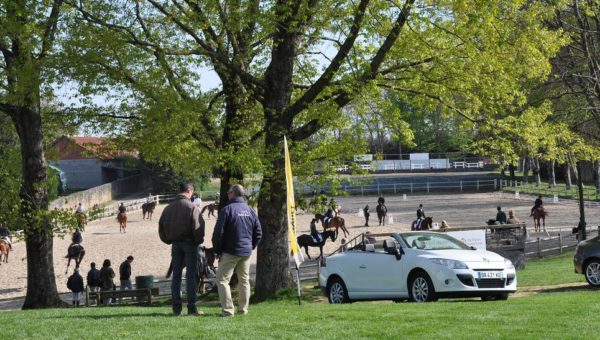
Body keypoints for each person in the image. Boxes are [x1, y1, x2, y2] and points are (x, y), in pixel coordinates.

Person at [212, 184, 262, 317]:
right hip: (246, 252)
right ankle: (243, 309)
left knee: (222, 280)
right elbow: (258, 232)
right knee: (244, 280)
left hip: (230, 251)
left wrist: (217, 250)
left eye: (229, 192)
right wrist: (251, 246)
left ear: (233, 193)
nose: (227, 194)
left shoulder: (227, 210)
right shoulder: (250, 210)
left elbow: (218, 233)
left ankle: (228, 310)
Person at [158, 182, 204, 317]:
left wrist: (169, 240)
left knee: (176, 277)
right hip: (190, 244)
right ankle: (191, 309)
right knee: (191, 277)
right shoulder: (192, 207)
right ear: (189, 190)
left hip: (175, 245)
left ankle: (176, 310)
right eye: (192, 192)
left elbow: (161, 229)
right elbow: (198, 228)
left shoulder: (168, 208)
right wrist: (197, 242)